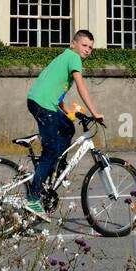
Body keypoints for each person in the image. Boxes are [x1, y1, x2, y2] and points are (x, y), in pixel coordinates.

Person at [25, 30, 103, 218]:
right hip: (43, 106)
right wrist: (94, 112)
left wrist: (68, 111)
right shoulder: (73, 58)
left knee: (68, 127)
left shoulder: (63, 58)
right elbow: (81, 85)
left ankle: (56, 165)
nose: (87, 50)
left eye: (91, 47)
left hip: (41, 102)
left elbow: (54, 91)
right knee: (50, 151)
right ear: (73, 44)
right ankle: (33, 199)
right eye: (84, 45)